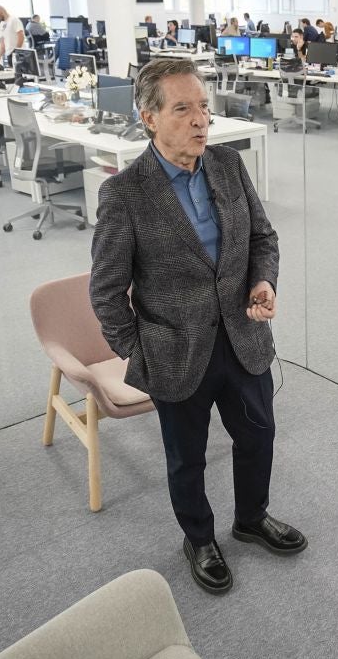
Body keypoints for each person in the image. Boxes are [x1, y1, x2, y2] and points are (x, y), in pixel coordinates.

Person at [89, 56, 302, 597]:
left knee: (259, 435)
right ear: (150, 119)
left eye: (203, 107)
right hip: (174, 350)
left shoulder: (228, 165)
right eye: (183, 109)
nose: (200, 121)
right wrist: (142, 353)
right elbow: (106, 293)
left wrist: (263, 283)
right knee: (187, 459)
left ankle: (252, 518)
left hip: (243, 335)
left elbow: (263, 239)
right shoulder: (126, 194)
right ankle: (199, 539)